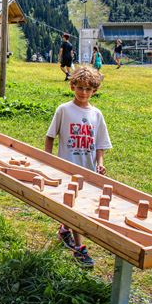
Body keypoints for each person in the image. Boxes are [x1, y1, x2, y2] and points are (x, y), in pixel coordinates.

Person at [44, 66, 112, 267]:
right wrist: (48, 160)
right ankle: (79, 248)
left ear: (94, 91)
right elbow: (50, 136)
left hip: (88, 170)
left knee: (78, 206)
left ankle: (65, 229)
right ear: (72, 86)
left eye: (88, 89)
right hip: (67, 169)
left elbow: (100, 145)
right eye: (80, 87)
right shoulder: (64, 110)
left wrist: (100, 164)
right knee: (77, 209)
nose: (83, 92)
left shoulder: (97, 115)